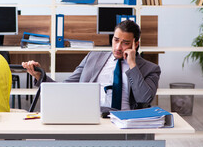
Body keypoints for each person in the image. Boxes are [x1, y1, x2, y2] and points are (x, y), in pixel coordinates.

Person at [22, 20, 161, 111]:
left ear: (135, 44)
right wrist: (40, 76)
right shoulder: (93, 57)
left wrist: (132, 65)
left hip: (125, 122)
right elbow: (65, 87)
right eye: (116, 40)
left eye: (125, 43)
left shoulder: (151, 69)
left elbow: (144, 98)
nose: (118, 47)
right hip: (91, 117)